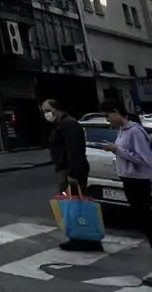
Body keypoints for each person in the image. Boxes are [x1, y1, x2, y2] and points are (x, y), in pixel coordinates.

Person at [42, 98, 102, 252]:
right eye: (44, 111)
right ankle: (81, 237)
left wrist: (72, 173)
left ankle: (84, 238)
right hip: (66, 169)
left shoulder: (68, 124)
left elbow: (74, 151)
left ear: (58, 109)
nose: (46, 114)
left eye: (48, 110)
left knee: (76, 206)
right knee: (73, 205)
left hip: (71, 170)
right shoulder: (61, 124)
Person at [100, 99, 152, 254]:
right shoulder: (122, 130)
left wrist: (116, 149)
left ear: (116, 111)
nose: (107, 120)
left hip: (139, 181)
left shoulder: (135, 131)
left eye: (108, 116)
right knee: (142, 220)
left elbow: (144, 158)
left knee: (146, 220)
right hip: (128, 179)